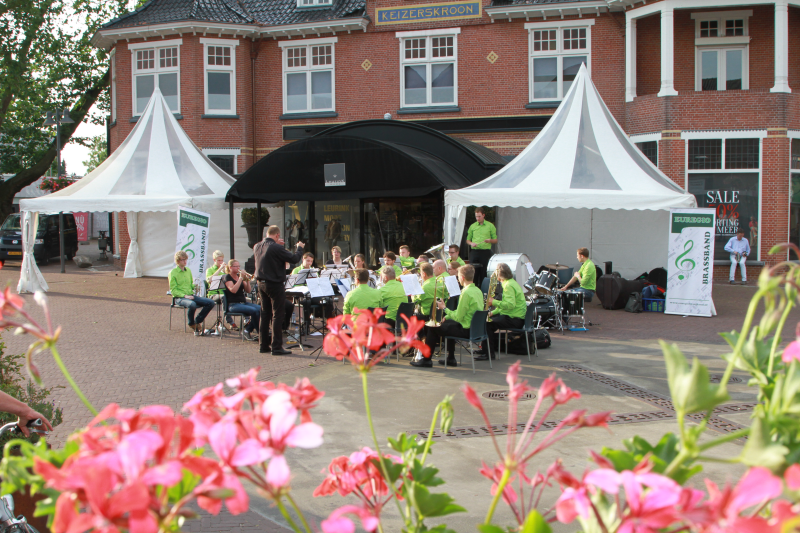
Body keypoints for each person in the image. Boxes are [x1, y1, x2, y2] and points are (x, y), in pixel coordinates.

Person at [412, 265, 483, 368]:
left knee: (433, 328)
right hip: (475, 329)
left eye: (458, 277)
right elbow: (463, 312)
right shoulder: (477, 290)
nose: (458, 279)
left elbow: (458, 317)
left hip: (466, 329)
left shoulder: (465, 292)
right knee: (447, 323)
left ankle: (426, 359)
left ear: (462, 277)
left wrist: (444, 308)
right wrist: (448, 316)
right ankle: (451, 358)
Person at [254, 225, 304, 355]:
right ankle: (276, 347)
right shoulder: (276, 247)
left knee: (265, 314)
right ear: (277, 235)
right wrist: (300, 248)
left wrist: (279, 246)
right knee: (277, 314)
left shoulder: (257, 246)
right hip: (274, 284)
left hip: (261, 283)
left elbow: (272, 258)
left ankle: (263, 345)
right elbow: (294, 259)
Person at [477, 263, 526, 360]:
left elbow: (510, 305)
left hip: (514, 318)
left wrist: (493, 301)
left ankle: (489, 353)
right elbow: (506, 305)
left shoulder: (508, 286)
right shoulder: (511, 282)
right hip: (514, 316)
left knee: (488, 325)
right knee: (488, 320)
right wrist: (492, 313)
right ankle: (485, 349)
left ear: (499, 275)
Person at [169, 251, 215, 336]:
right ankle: (191, 323)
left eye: (186, 259)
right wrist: (185, 295)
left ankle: (197, 321)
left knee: (211, 302)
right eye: (183, 260)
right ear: (178, 261)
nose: (185, 262)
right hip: (180, 298)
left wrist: (195, 286)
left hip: (190, 295)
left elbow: (190, 285)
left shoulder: (188, 271)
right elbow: (173, 290)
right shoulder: (173, 272)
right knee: (192, 304)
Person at [223, 260, 260, 342]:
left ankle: (247, 330)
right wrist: (240, 278)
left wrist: (247, 280)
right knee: (254, 311)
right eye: (236, 266)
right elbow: (233, 290)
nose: (238, 268)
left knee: (261, 309)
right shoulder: (227, 277)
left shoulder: (240, 277)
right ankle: (259, 333)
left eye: (239, 266)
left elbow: (248, 291)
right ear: (230, 267)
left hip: (243, 302)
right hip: (233, 305)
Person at [294, 252, 335, 324]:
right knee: (307, 302)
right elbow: (293, 285)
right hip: (302, 295)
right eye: (308, 261)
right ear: (303, 259)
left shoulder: (314, 270)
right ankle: (306, 325)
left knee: (329, 300)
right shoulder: (296, 270)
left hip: (314, 294)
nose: (309, 263)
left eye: (311, 261)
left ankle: (329, 324)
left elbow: (318, 284)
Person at [466, 207, 497, 286]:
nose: (478, 218)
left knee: (484, 271)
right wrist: (471, 243)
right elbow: (467, 240)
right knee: (473, 271)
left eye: (479, 216)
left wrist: (489, 240)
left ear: (483, 215)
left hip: (485, 252)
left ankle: (484, 290)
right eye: (476, 216)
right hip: (474, 251)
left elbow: (495, 240)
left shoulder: (490, 226)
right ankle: (474, 287)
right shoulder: (472, 226)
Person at [207, 250, 237, 331]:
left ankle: (247, 319)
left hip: (225, 293)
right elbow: (210, 280)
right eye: (218, 260)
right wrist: (220, 269)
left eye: (222, 260)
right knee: (224, 297)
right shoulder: (210, 270)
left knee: (238, 296)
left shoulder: (224, 270)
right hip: (214, 294)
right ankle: (229, 320)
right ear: (214, 260)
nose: (221, 262)